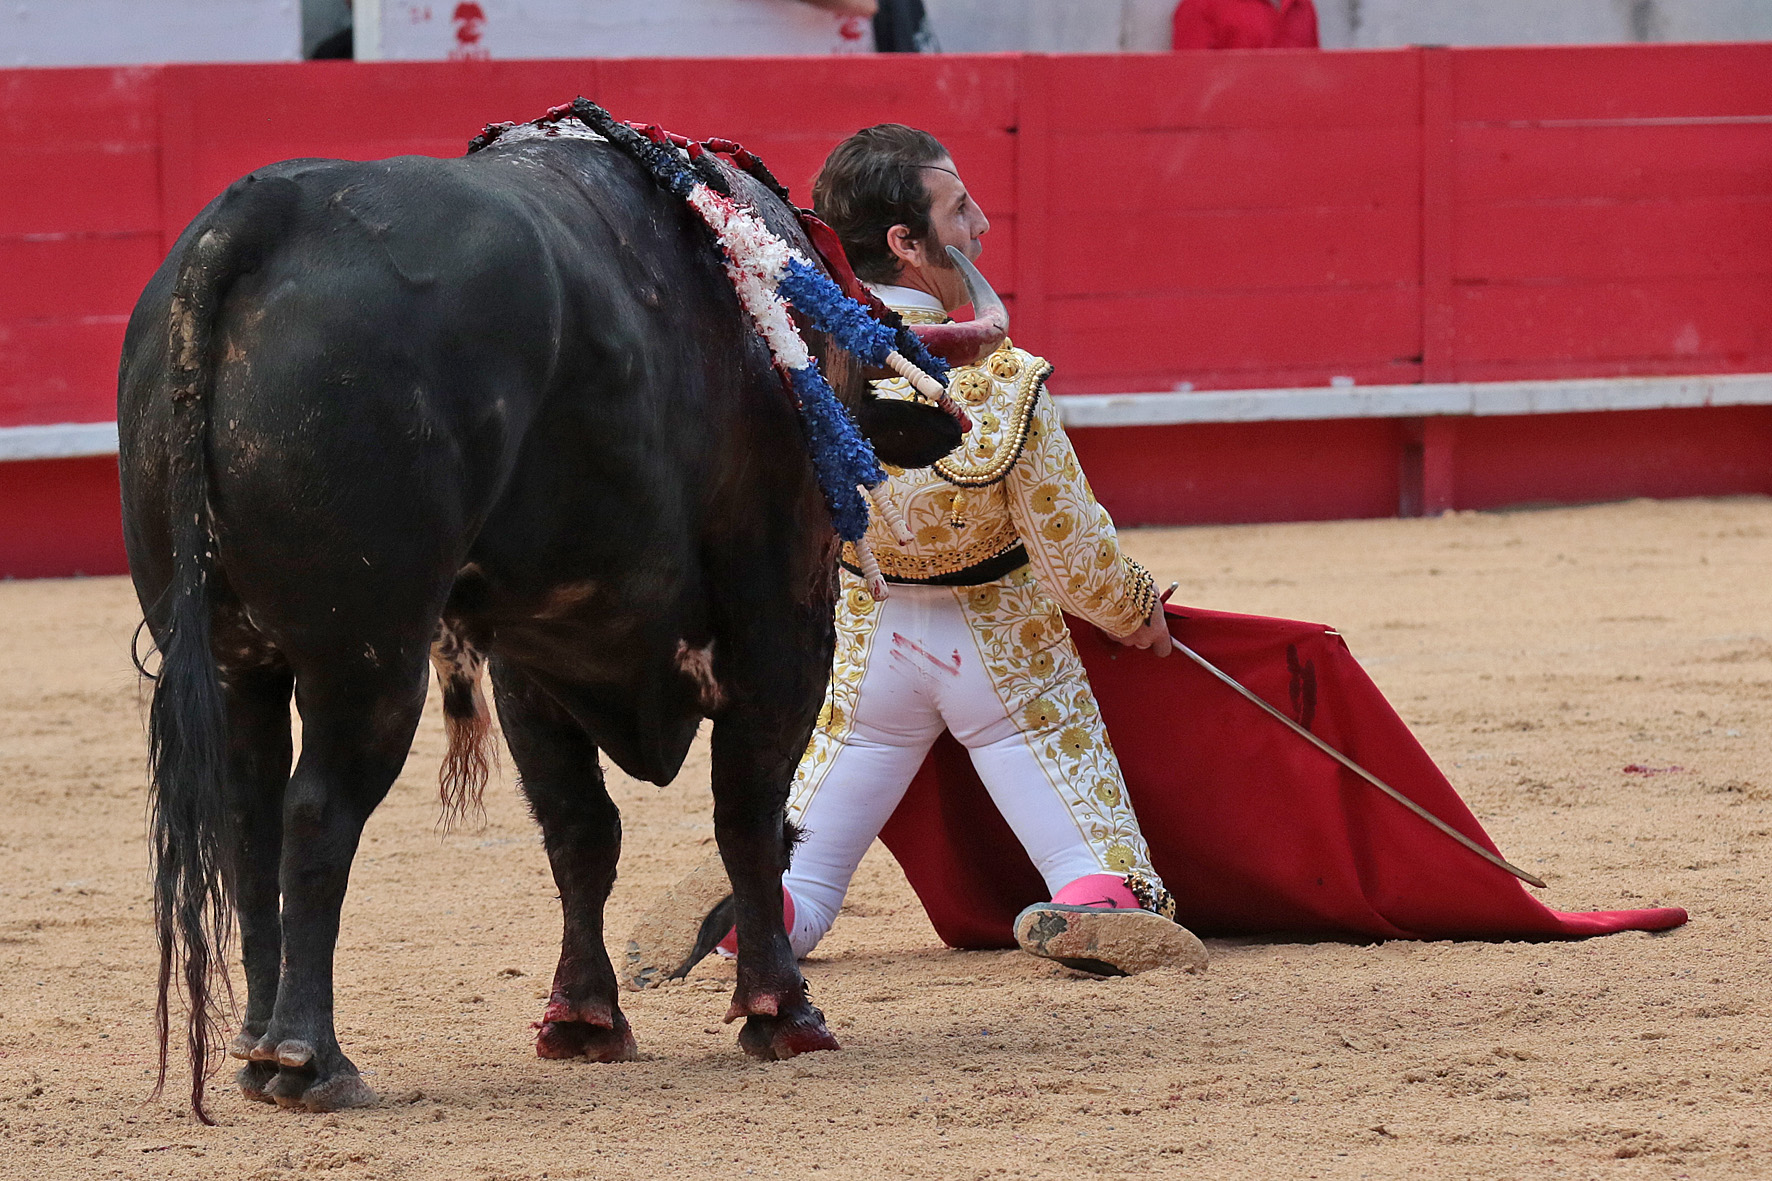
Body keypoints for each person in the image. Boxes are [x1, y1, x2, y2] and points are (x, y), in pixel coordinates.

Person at [623, 125, 1206, 989]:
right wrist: (1135, 608)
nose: (978, 226)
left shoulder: (800, 367)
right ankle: (1099, 898)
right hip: (1003, 657)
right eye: (958, 208)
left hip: (864, 654)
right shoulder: (1001, 381)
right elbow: (1075, 559)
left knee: (805, 870)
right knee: (1088, 836)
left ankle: (762, 911)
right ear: (906, 241)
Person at [1172, 0, 1319, 49]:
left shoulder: (1303, 5)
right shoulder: (1200, 5)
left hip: (1296, 117)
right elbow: (1188, 94)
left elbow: (1314, 78)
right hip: (1228, 118)